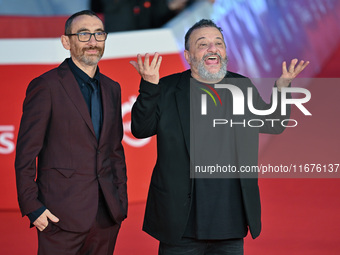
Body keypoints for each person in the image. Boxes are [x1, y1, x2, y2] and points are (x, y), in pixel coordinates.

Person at [130, 19, 309, 254]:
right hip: (180, 223)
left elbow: (273, 123)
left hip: (230, 222)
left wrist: (283, 87)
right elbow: (141, 129)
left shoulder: (242, 86)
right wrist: (149, 87)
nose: (212, 48)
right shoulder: (166, 88)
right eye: (202, 44)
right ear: (188, 54)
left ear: (224, 51)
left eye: (218, 43)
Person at [15, 10, 127, 255]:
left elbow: (114, 150)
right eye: (84, 34)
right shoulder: (46, 86)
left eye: (99, 34)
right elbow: (25, 153)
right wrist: (32, 207)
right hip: (58, 216)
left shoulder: (112, 88)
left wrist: (120, 202)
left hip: (106, 215)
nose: (92, 42)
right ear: (67, 41)